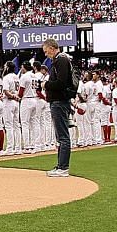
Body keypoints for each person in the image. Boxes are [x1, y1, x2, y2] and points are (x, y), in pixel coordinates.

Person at [42, 39, 75, 178]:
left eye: (46, 50)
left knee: (63, 136)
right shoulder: (61, 59)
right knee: (61, 136)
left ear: (51, 48)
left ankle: (63, 167)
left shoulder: (61, 59)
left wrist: (46, 85)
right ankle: (61, 166)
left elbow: (61, 82)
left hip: (60, 101)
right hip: (59, 101)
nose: (45, 54)